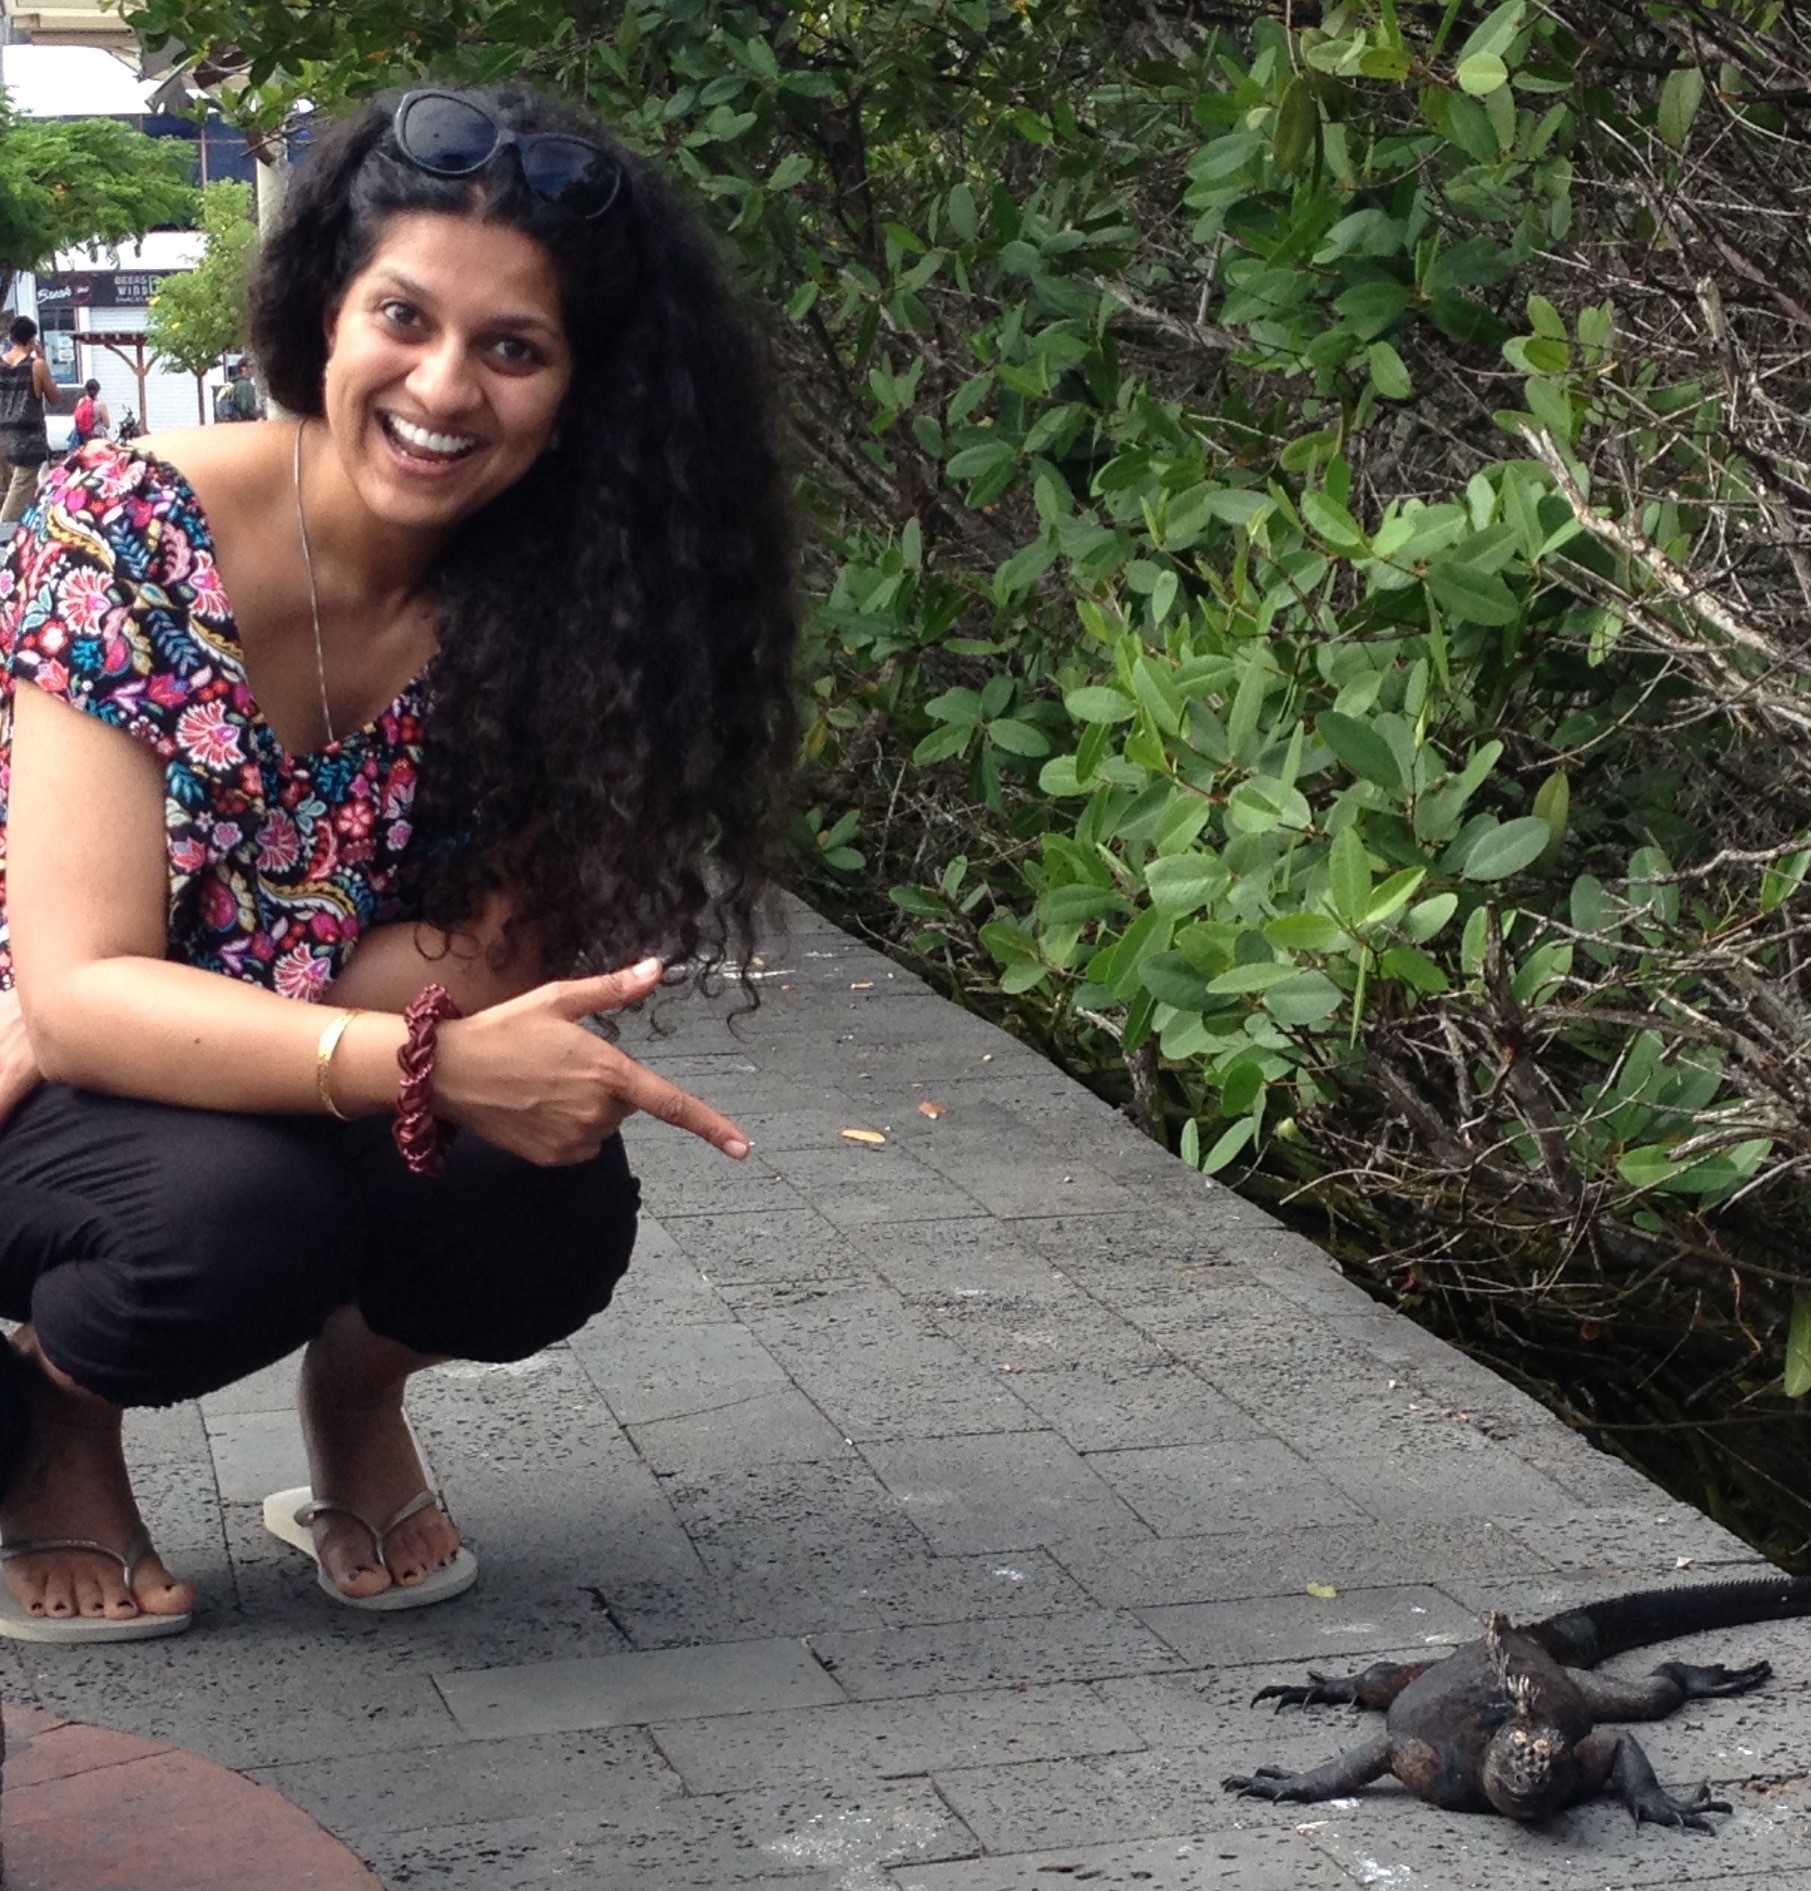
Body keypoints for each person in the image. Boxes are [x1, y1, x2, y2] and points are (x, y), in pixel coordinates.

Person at [0, 82, 796, 1639]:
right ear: (324, 311)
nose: (444, 385)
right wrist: (113, 1008)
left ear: (581, 391)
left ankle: (355, 1400)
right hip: (32, 1081)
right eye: (402, 318)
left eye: (514, 348)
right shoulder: (126, 525)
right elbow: (82, 995)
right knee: (229, 1219)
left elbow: (485, 969)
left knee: (541, 1196)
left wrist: (166, 1005)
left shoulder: (584, 602)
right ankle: (51, 1419)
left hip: (169, 1037)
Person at [0, 317, 64, 526]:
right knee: (20, 488)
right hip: (29, 437)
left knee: (16, 488)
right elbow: (54, 399)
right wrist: (43, 358)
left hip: (3, 435)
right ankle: (3, 530)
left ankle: (23, 531)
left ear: (11, 337)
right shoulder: (37, 366)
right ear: (32, 339)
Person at [70, 380, 110, 445]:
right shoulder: (101, 405)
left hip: (84, 436)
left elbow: (77, 418)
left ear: (86, 389)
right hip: (97, 437)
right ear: (98, 390)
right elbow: (107, 425)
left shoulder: (81, 402)